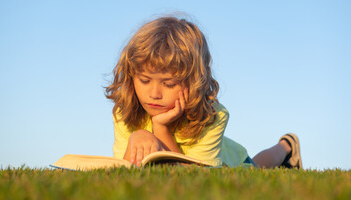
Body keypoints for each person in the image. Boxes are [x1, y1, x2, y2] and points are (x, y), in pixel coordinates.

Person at [105, 15, 302, 169]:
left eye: (169, 84)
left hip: (230, 161)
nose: (154, 93)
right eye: (145, 80)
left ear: (194, 82)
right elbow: (121, 171)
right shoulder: (125, 113)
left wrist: (161, 129)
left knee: (256, 167)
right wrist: (136, 138)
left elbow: (191, 177)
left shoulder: (214, 115)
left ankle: (287, 146)